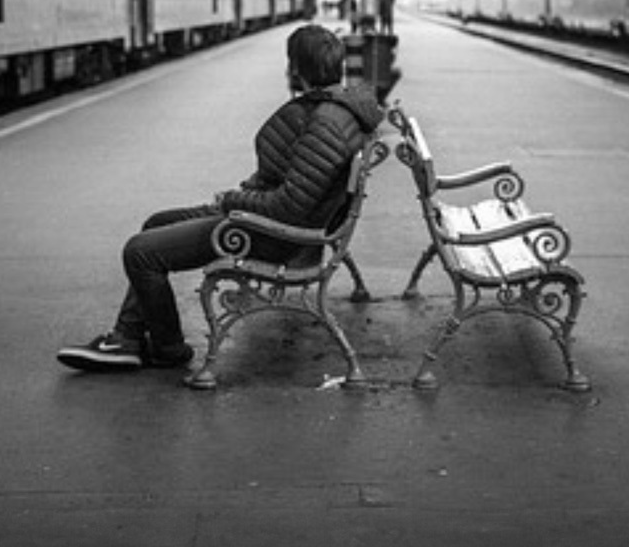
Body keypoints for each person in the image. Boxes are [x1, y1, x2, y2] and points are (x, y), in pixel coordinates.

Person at [57, 23, 384, 373]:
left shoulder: (325, 123)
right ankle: (129, 338)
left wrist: (232, 201)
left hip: (274, 236)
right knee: (156, 223)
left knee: (140, 253)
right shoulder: (339, 110)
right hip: (280, 225)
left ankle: (166, 348)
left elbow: (290, 207)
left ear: (297, 68)